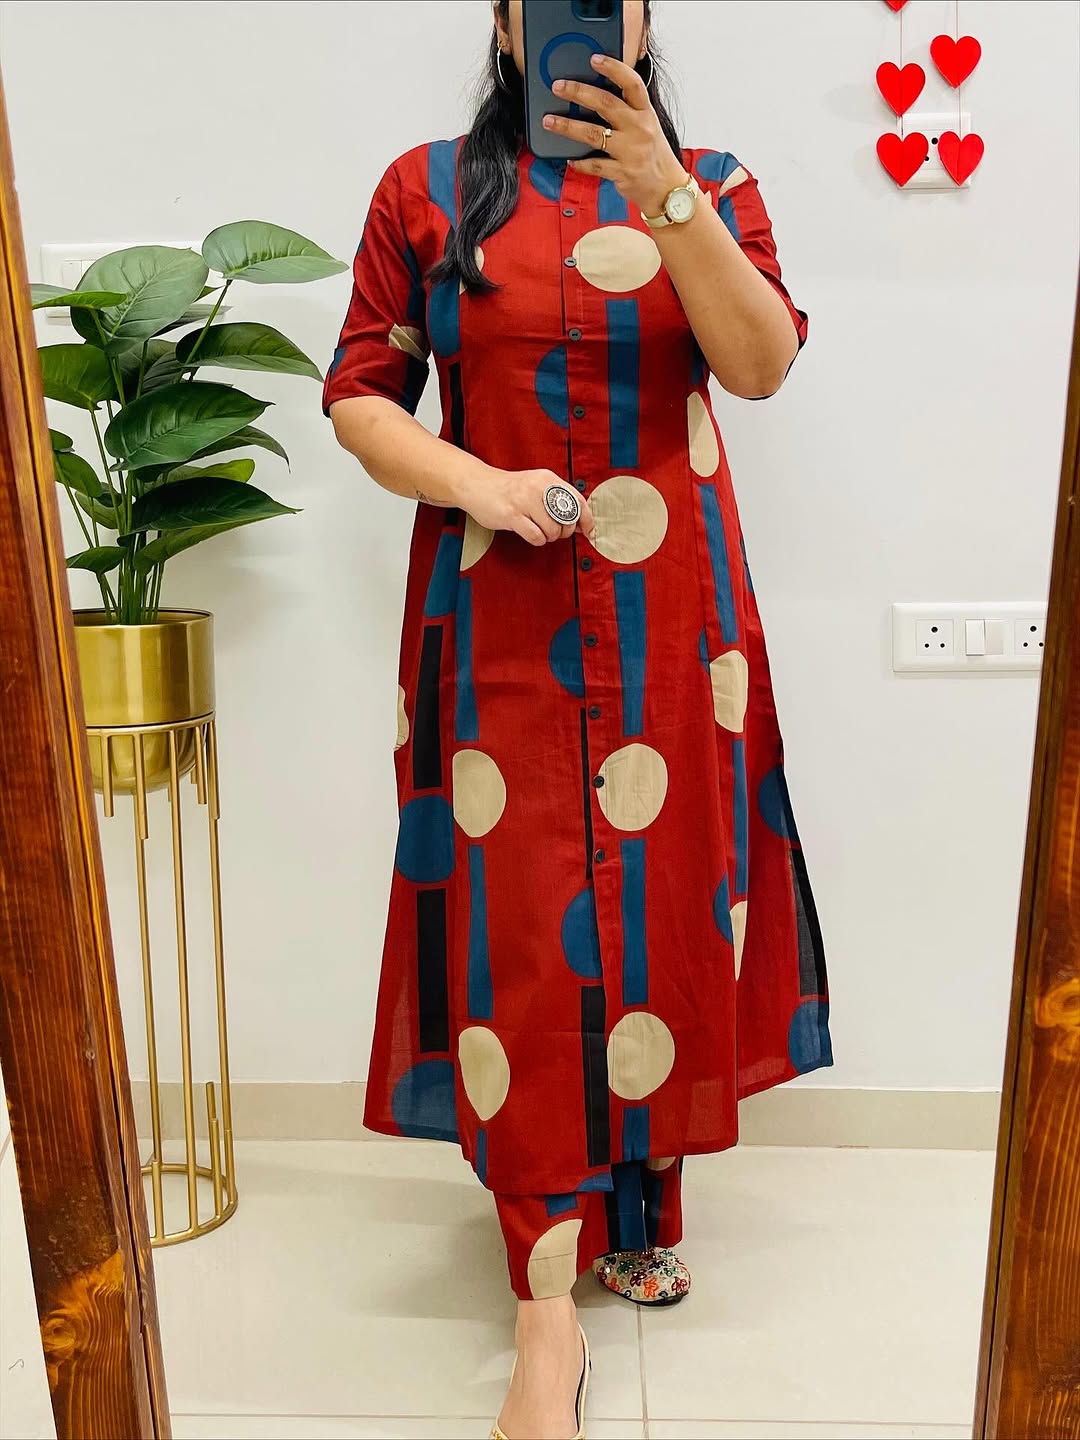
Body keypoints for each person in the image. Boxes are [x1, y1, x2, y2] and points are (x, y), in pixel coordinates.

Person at [323, 2, 832, 1436]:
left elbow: (760, 363)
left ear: (645, 20)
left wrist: (664, 191)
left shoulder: (714, 184)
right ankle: (544, 1314)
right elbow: (359, 396)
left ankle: (639, 1203)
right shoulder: (427, 190)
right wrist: (479, 485)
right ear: (503, 26)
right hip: (498, 613)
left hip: (674, 618)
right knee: (527, 934)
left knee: (662, 904)